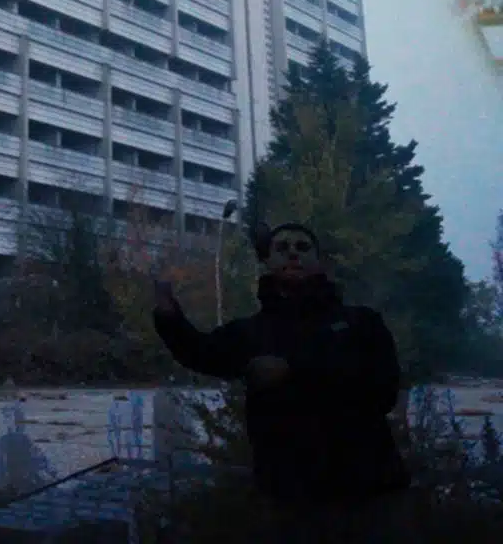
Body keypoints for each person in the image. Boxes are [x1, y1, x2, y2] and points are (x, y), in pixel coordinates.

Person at [153, 222, 410, 542]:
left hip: (368, 490)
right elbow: (201, 353)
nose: (292, 253)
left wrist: (294, 371)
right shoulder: (250, 332)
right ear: (268, 261)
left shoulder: (362, 323)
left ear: (320, 261)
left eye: (302, 246)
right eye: (282, 247)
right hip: (287, 496)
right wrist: (169, 315)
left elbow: (382, 390)